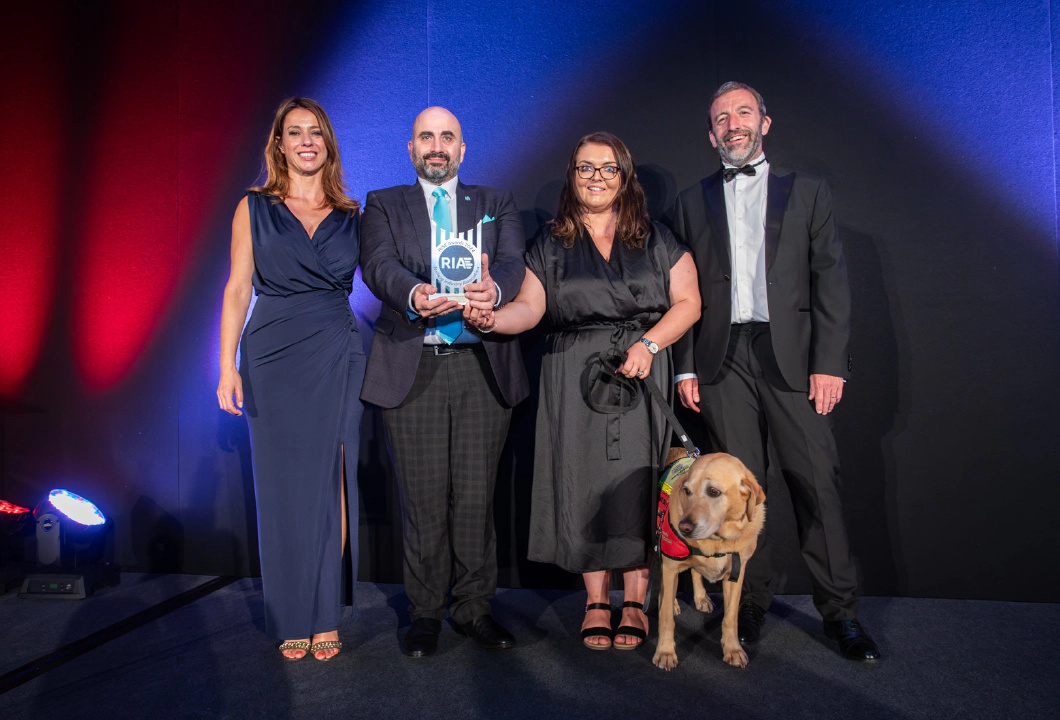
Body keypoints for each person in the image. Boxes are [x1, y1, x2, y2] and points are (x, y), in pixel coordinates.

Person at [667, 81, 881, 661]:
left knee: (817, 485)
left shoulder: (808, 192)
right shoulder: (690, 203)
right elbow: (679, 295)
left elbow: (831, 282)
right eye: (721, 118)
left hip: (793, 359)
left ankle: (840, 614)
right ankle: (749, 604)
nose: (732, 124)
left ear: (765, 122)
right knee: (734, 499)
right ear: (711, 135)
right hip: (720, 359)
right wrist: (683, 368)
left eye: (743, 113)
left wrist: (830, 363)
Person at [465, 132, 700, 650]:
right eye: (585, 168)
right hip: (573, 375)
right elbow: (529, 308)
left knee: (639, 482)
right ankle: (597, 600)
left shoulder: (657, 238)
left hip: (641, 371)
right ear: (572, 176)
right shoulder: (550, 243)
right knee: (583, 481)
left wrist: (651, 344)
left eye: (607, 168)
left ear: (625, 176)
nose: (596, 178)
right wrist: (491, 318)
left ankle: (635, 600)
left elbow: (688, 302)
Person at [359, 107, 529, 657]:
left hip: (482, 367)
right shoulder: (385, 203)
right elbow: (378, 265)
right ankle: (426, 612)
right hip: (415, 366)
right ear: (410, 149)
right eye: (426, 137)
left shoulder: (496, 202)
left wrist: (492, 295)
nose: (437, 146)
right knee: (424, 501)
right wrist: (414, 295)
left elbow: (510, 264)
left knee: (477, 500)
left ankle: (475, 609)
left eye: (447, 137)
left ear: (463, 149)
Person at [217, 98, 364, 662]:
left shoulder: (354, 214)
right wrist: (225, 364)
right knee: (280, 488)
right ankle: (290, 612)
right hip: (271, 353)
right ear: (279, 144)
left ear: (328, 143)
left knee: (332, 481)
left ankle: (324, 611)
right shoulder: (252, 208)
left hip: (336, 347)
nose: (306, 141)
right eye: (294, 132)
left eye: (316, 132)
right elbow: (236, 289)